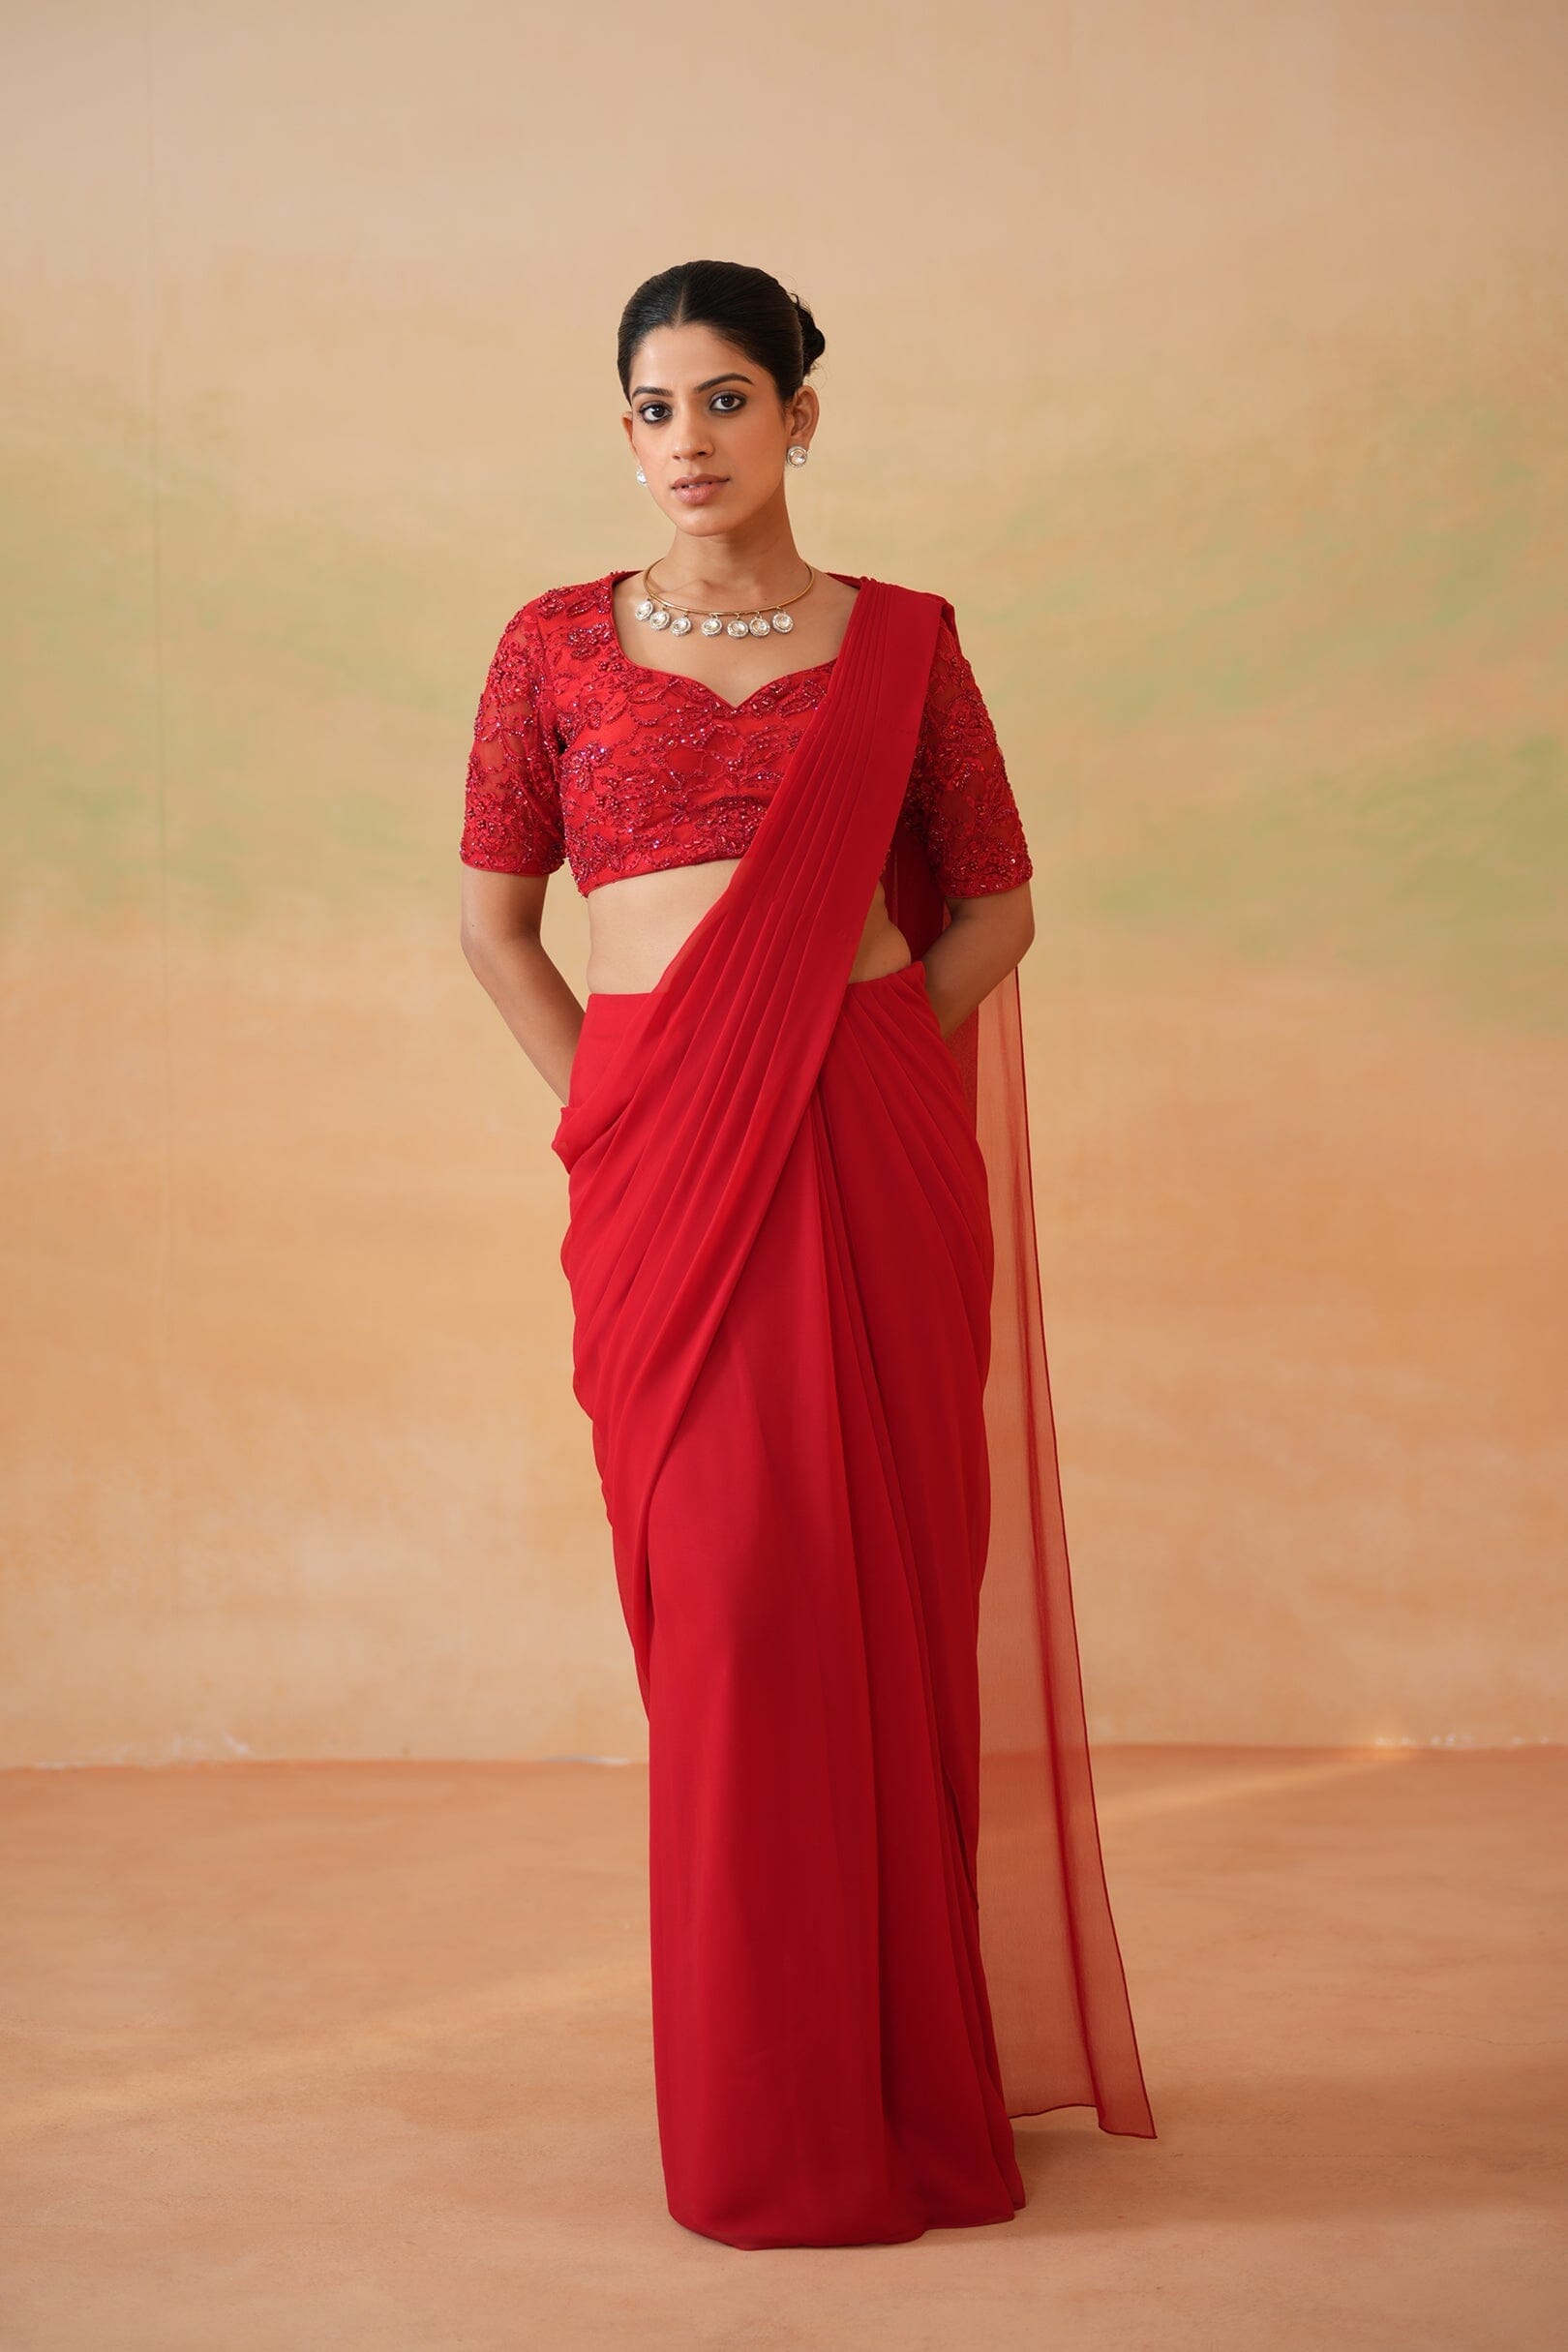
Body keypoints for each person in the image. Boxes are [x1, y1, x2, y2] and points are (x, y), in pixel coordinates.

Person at [459, 257, 1156, 2251]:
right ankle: (761, 2101)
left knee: (886, 1602)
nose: (688, 440)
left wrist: (856, 1058)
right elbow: (495, 925)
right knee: (735, 1606)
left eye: (727, 399)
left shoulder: (905, 644)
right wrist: (616, 1109)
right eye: (654, 407)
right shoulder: (551, 646)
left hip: (862, 1145)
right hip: (662, 1161)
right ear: (624, 432)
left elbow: (998, 904)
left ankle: (902, 2088)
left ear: (800, 415)